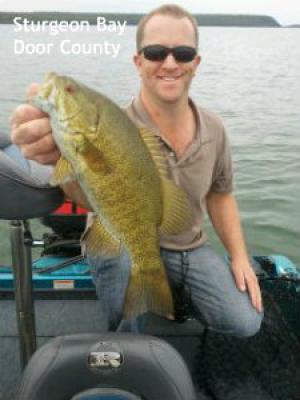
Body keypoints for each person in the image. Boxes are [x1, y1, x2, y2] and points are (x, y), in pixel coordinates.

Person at [10, 4, 263, 336]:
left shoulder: (215, 128)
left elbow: (221, 193)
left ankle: (167, 292)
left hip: (187, 244)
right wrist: (56, 156)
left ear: (195, 63)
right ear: (138, 60)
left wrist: (240, 257)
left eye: (183, 53)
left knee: (245, 322)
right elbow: (85, 192)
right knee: (120, 268)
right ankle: (127, 338)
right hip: (119, 236)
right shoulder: (117, 124)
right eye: (155, 52)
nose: (170, 63)